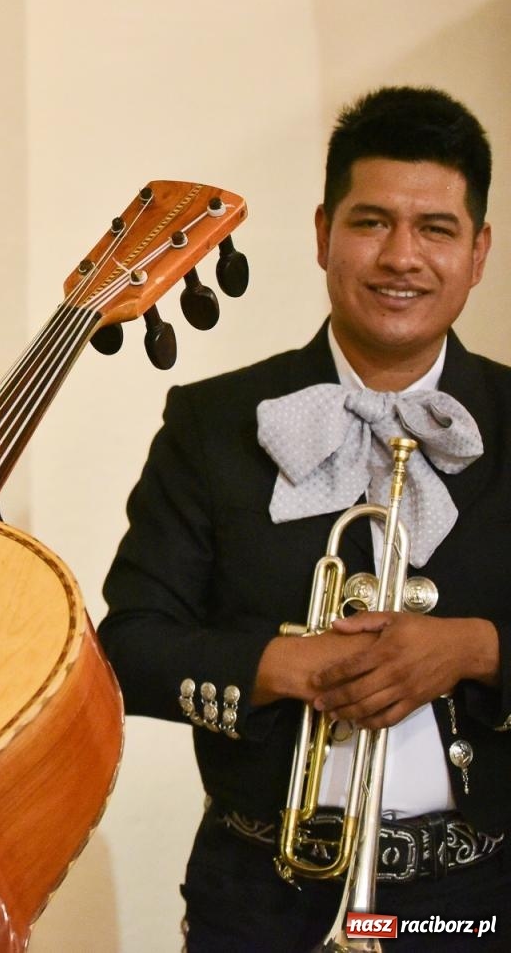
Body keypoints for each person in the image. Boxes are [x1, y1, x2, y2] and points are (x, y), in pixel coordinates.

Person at [100, 86, 510, 951]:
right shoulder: (211, 423)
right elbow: (130, 647)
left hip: (479, 900)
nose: (402, 256)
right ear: (323, 233)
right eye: (372, 223)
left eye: (435, 229)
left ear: (478, 252)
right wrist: (284, 665)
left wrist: (474, 650)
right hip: (259, 900)